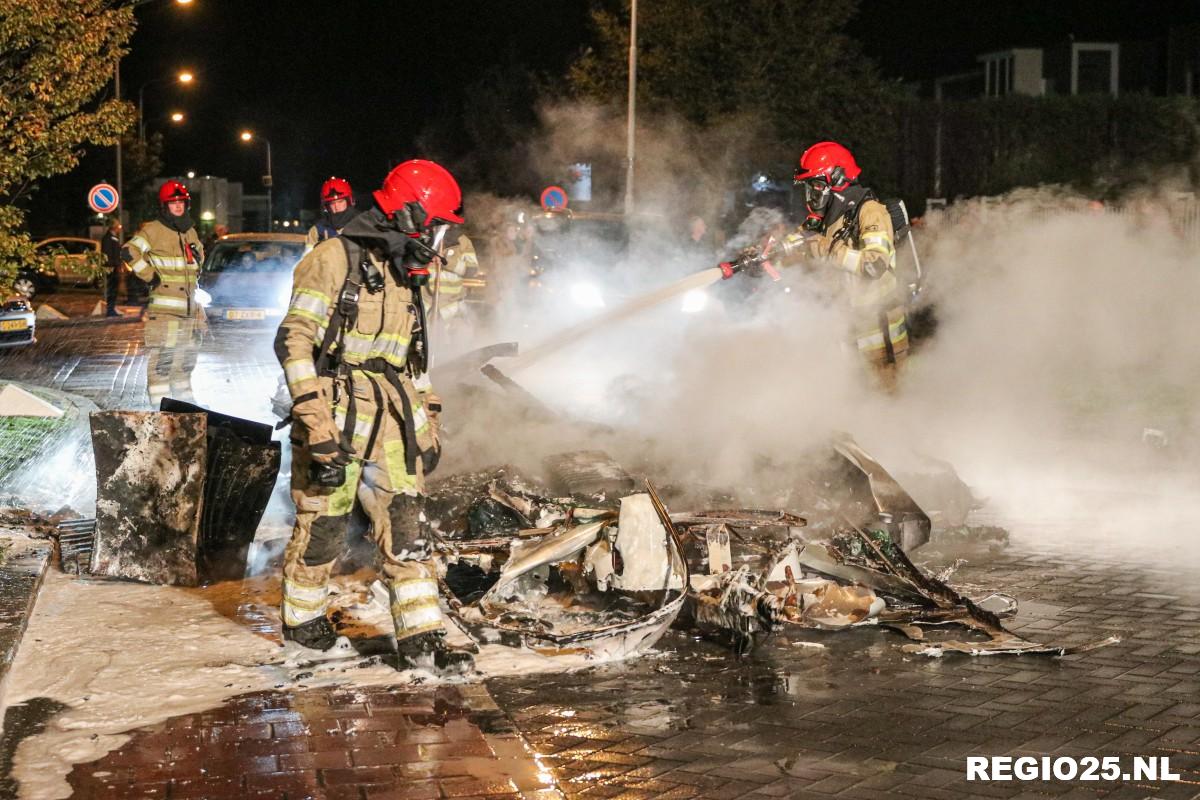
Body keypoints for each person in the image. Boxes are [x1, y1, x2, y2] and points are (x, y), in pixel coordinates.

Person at [274, 159, 472, 675]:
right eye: (435, 224)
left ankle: (422, 637)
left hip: (392, 417)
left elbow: (411, 361)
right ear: (407, 213)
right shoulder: (331, 259)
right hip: (337, 414)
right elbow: (293, 340)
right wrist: (315, 422)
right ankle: (303, 623)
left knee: (407, 525)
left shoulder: (408, 273)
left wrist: (428, 423)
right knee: (326, 528)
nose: (439, 237)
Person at [764, 141, 909, 389]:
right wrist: (764, 257)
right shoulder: (827, 219)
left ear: (837, 179)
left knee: (886, 397)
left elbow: (875, 265)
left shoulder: (871, 212)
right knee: (852, 394)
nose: (812, 195)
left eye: (817, 186)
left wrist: (830, 250)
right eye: (810, 187)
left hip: (880, 327)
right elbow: (798, 244)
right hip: (848, 322)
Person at [123, 180, 206, 406]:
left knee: (185, 362)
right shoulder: (153, 229)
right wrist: (151, 276)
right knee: (163, 362)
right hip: (166, 312)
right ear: (164, 206)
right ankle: (161, 409)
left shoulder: (189, 230)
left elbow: (198, 258)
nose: (178, 207)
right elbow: (128, 252)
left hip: (190, 311)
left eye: (181, 202)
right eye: (173, 203)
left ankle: (187, 407)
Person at [304, 177, 360, 253]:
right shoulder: (317, 230)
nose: (336, 207)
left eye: (340, 202)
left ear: (349, 202)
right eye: (332, 203)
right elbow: (307, 259)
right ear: (326, 206)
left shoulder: (361, 224)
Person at [100, 218, 123, 317]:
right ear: (114, 227)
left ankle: (111, 309)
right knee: (112, 289)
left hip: (114, 267)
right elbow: (108, 254)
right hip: (111, 268)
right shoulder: (108, 238)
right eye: (118, 226)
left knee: (114, 289)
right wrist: (115, 265)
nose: (120, 228)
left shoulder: (113, 237)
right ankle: (110, 310)